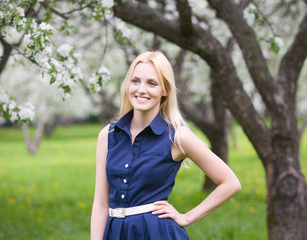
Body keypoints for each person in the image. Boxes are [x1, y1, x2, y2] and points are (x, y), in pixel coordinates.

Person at [90, 51, 241, 240]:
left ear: (165, 90)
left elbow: (230, 183)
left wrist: (187, 217)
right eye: (135, 81)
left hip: (156, 233)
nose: (141, 89)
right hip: (114, 233)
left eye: (152, 83)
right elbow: (101, 204)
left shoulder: (177, 136)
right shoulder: (108, 135)